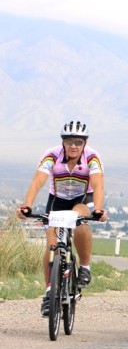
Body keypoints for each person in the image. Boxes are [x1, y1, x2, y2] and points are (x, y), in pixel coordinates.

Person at [16, 121, 108, 317]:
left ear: (85, 143)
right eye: (69, 141)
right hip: (57, 200)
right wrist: (27, 206)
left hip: (83, 198)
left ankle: (85, 267)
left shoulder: (92, 157)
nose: (73, 146)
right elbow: (37, 181)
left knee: (79, 218)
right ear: (63, 142)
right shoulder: (52, 155)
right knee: (52, 245)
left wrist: (99, 209)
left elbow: (98, 185)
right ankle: (49, 292)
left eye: (78, 142)